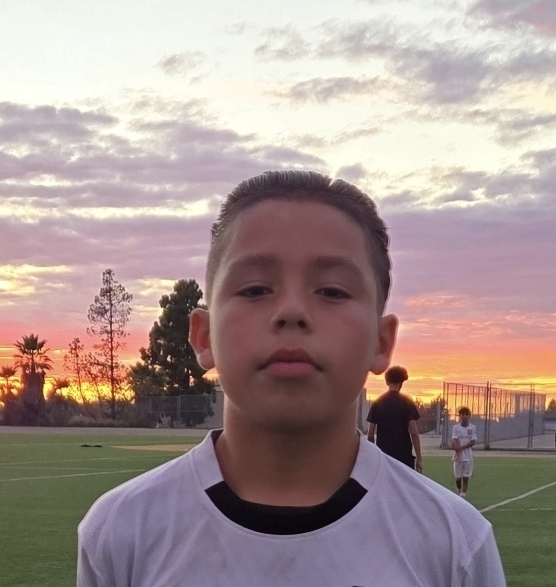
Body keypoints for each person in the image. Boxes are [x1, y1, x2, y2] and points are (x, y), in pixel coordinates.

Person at [77, 170, 506, 586]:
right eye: (255, 289)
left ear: (381, 342)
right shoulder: (122, 530)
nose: (292, 311)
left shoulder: (455, 543)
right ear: (204, 336)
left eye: (332, 291)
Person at [366, 365, 423, 472]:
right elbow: (414, 433)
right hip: (404, 457)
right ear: (401, 383)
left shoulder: (377, 403)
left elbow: (370, 434)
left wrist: (373, 456)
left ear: (387, 382)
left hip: (383, 457)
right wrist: (419, 458)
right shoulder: (407, 402)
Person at [452, 406, 478, 498]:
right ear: (459, 416)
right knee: (458, 478)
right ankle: (459, 491)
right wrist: (458, 453)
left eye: (465, 415)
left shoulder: (473, 428)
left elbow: (472, 442)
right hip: (458, 457)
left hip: (468, 457)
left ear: (469, 416)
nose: (463, 416)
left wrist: (461, 448)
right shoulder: (456, 428)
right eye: (462, 415)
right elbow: (455, 440)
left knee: (466, 477)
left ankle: (463, 495)